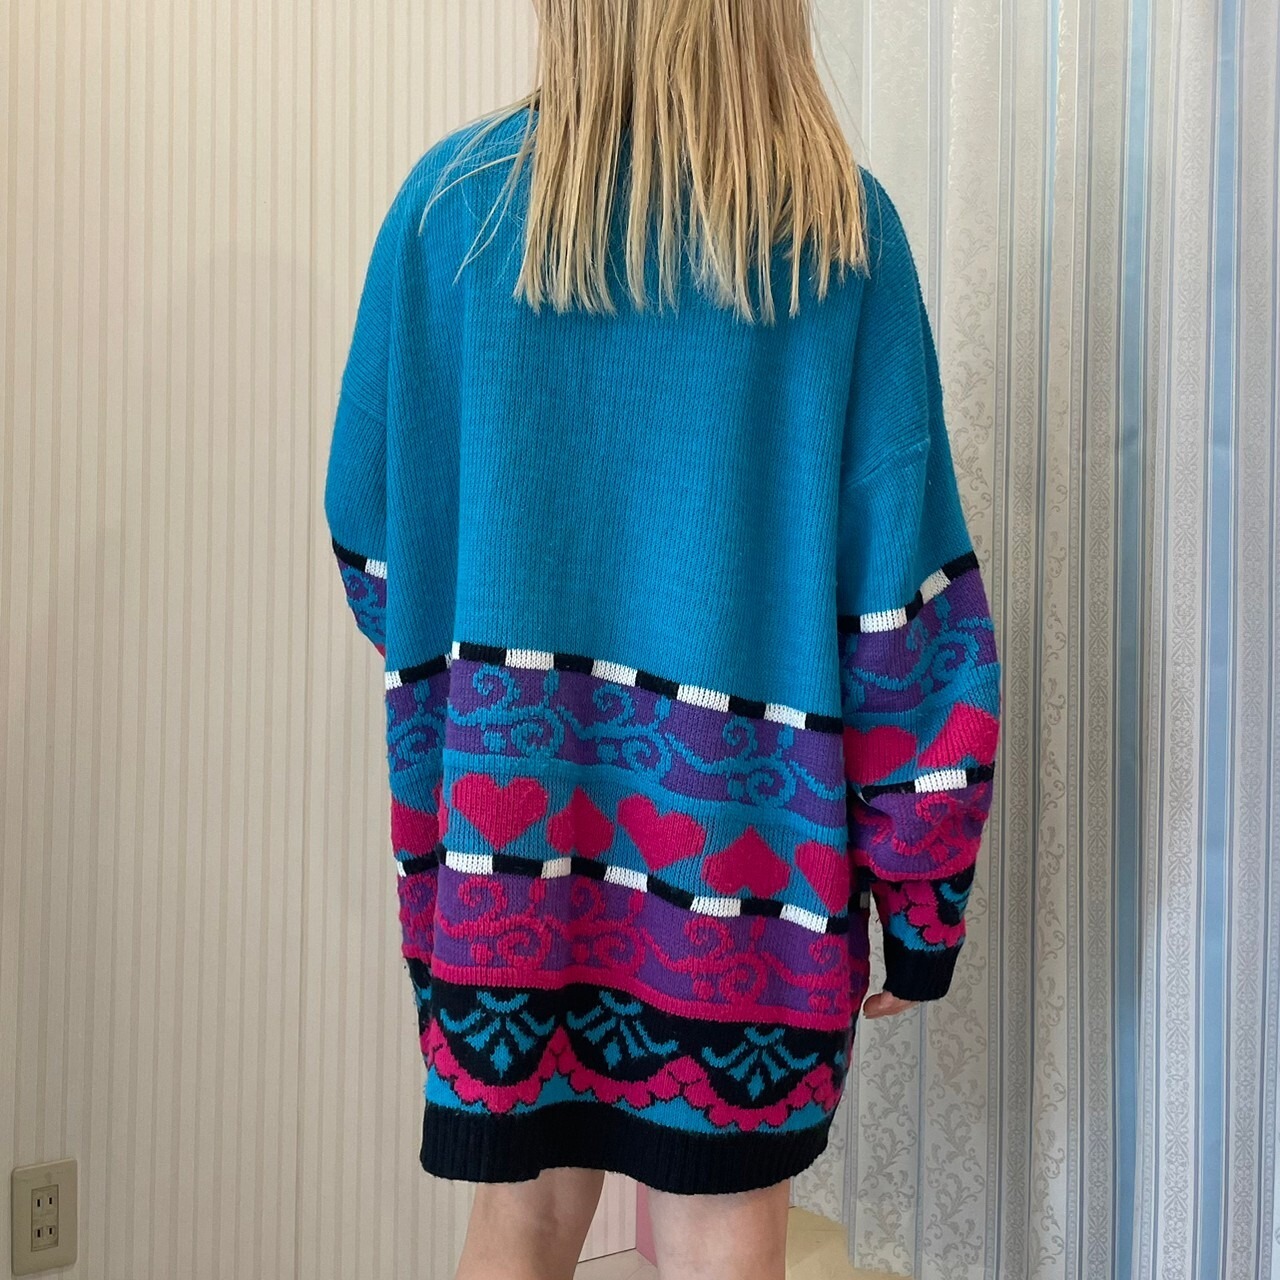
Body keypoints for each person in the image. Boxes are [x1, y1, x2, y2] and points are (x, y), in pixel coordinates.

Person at [323, 3, 1002, 1277]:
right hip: (746, 872)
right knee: (720, 1227)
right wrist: (921, 898)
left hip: (504, 861)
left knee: (522, 1217)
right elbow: (902, 619)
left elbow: (373, 548)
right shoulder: (834, 239)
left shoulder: (446, 216)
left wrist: (493, 686)